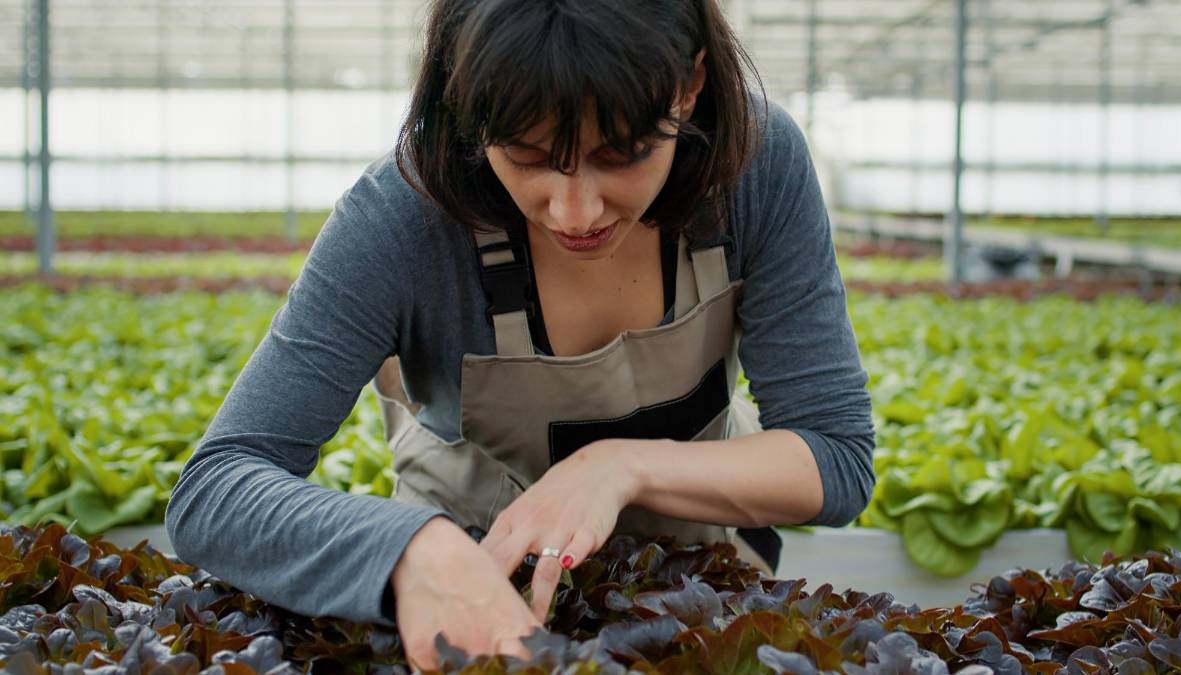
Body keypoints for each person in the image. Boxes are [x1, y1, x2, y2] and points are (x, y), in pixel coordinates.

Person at [165, 0, 876, 670]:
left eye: (623, 152)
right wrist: (414, 550)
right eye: (529, 157)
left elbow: (836, 457)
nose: (576, 209)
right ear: (466, 105)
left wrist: (621, 466)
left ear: (689, 86)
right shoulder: (400, 219)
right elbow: (216, 489)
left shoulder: (753, 164)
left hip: (697, 598)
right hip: (472, 613)